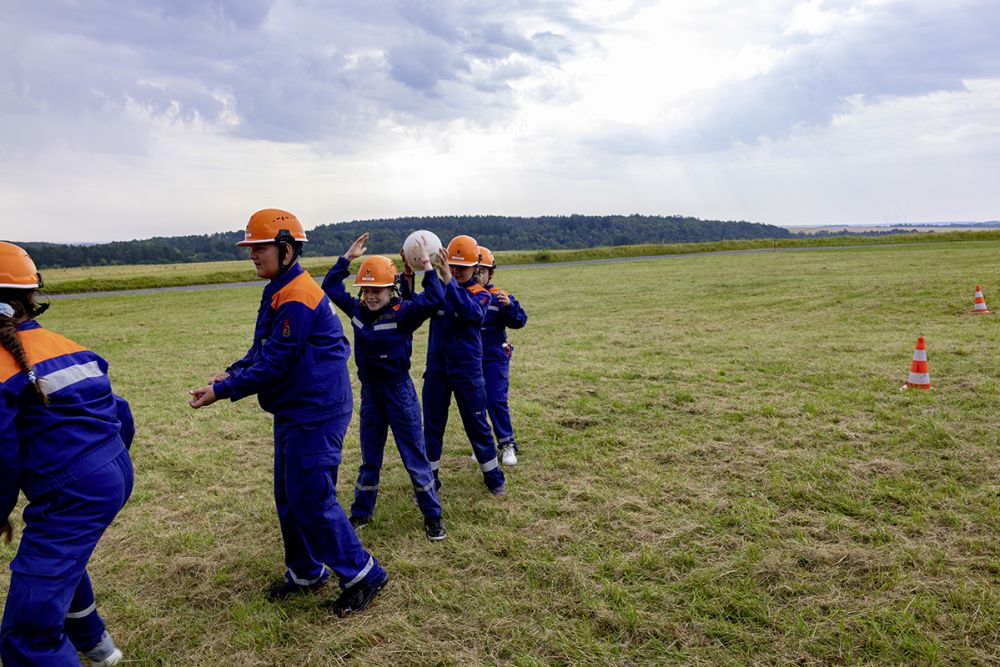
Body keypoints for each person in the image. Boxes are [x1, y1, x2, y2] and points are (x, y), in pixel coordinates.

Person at [187, 209, 388, 617]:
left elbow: (277, 362)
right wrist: (234, 371)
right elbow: (264, 348)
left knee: (312, 498)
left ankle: (363, 575)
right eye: (250, 248)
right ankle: (306, 572)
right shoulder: (280, 288)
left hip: (316, 411)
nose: (252, 255)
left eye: (259, 247)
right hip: (296, 407)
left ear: (286, 248)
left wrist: (223, 391)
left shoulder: (296, 294)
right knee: (289, 494)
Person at [0, 241, 134, 666]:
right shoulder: (65, 345)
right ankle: (98, 646)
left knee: (28, 631)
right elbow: (121, 411)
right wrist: (106, 464)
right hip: (112, 469)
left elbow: (2, 457)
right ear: (31, 295)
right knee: (60, 561)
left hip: (73, 492)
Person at [322, 233, 449, 540]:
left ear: (391, 289)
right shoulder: (357, 311)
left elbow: (435, 298)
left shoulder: (404, 313)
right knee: (370, 459)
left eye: (377, 290)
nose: (370, 296)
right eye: (365, 290)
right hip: (371, 395)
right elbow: (329, 287)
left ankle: (433, 516)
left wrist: (427, 265)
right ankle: (361, 513)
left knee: (414, 458)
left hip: (399, 393)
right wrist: (347, 258)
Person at [409, 234, 506, 496]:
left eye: (464, 267)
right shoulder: (440, 289)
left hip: (467, 371)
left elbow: (470, 312)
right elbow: (413, 307)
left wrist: (447, 279)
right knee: (432, 427)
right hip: (437, 370)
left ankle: (494, 479)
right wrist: (408, 275)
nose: (458, 271)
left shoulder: (481, 294)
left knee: (477, 426)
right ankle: (430, 481)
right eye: (454, 266)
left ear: (476, 267)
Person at [475, 247, 528, 466]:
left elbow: (520, 321)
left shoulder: (499, 297)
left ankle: (507, 444)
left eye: (481, 271)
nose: (477, 275)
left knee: (496, 400)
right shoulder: (462, 296)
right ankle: (482, 446)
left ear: (491, 273)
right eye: (473, 270)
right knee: (475, 404)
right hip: (470, 357)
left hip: (494, 356)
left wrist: (510, 306)